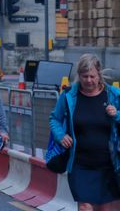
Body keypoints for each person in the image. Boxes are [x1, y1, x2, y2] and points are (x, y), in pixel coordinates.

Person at [49, 54, 120, 211]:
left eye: (92, 76)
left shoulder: (113, 95)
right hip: (80, 165)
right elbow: (54, 119)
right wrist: (60, 135)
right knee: (85, 207)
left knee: (106, 209)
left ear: (99, 74)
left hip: (109, 165)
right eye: (84, 76)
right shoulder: (69, 96)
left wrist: (117, 114)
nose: (88, 80)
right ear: (78, 75)